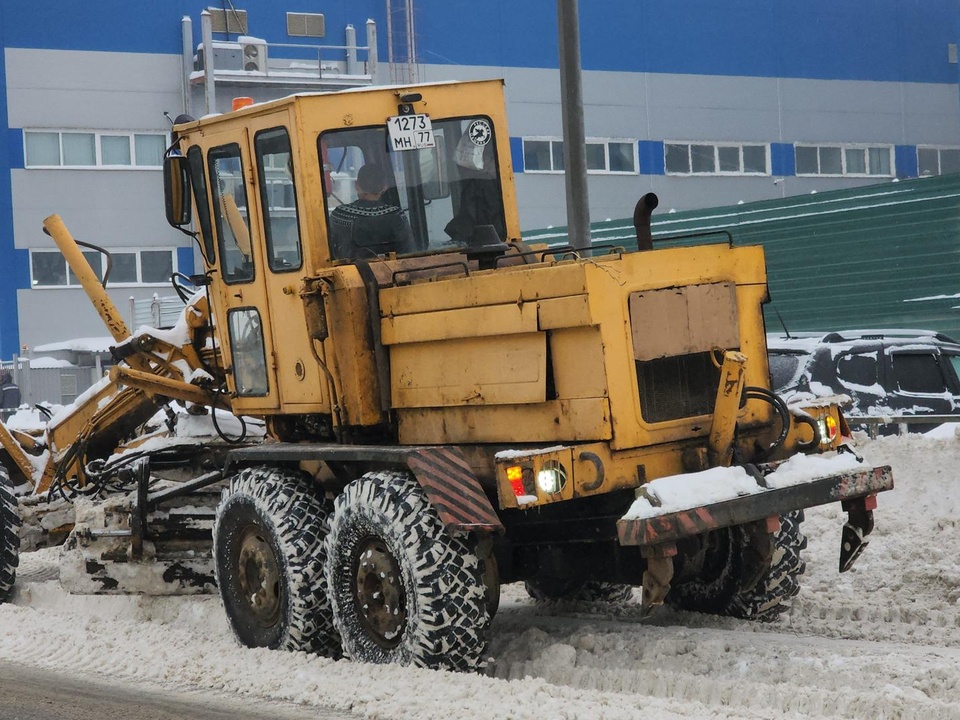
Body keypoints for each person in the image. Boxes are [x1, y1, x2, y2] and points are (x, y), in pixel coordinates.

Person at [328, 164, 414, 259]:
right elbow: (409, 252)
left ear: (356, 185)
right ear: (385, 187)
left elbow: (330, 251)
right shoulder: (397, 215)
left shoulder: (340, 215)